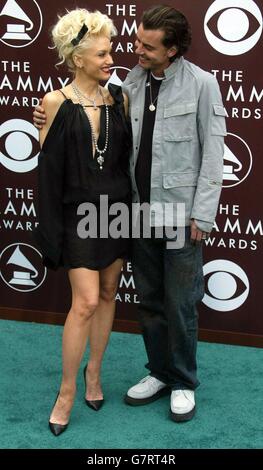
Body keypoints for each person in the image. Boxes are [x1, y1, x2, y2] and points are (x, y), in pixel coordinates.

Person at [33, 5, 226, 423]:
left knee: (180, 304)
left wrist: (204, 215)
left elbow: (214, 155)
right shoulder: (129, 85)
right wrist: (46, 115)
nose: (133, 51)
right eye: (134, 41)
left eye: (147, 46)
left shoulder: (202, 85)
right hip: (134, 213)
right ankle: (159, 372)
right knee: (150, 301)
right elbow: (78, 115)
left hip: (178, 213)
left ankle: (182, 381)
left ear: (172, 50)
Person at [34, 8, 131, 436]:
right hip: (77, 214)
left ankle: (96, 375)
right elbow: (47, 165)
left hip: (117, 210)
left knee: (109, 292)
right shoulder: (54, 103)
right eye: (103, 54)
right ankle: (68, 390)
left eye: (111, 52)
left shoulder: (120, 98)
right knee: (86, 301)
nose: (111, 60)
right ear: (78, 59)